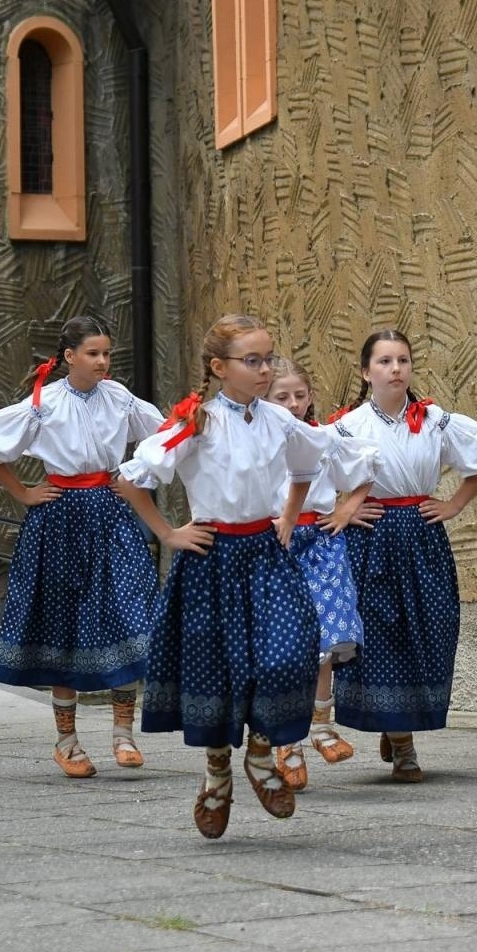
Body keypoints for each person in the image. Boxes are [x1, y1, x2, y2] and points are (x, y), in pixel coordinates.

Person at [117, 314, 349, 839]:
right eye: (253, 361)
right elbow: (131, 480)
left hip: (266, 553)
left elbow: (308, 465)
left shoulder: (278, 419)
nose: (265, 369)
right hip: (212, 557)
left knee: (291, 652)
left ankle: (262, 753)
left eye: (268, 359)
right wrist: (169, 534)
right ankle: (217, 769)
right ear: (220, 367)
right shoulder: (197, 421)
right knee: (220, 671)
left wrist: (288, 517)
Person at [0, 317, 163, 774]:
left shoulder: (120, 397)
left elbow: (162, 439)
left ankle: (122, 733)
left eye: (107, 353)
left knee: (126, 612)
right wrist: (24, 493)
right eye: (93, 354)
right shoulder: (43, 403)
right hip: (60, 520)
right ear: (69, 357)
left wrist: (133, 476)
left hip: (111, 515)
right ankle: (67, 741)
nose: (103, 362)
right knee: (62, 624)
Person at [329, 330, 477, 782]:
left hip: (422, 536)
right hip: (373, 539)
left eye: (403, 360)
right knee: (383, 633)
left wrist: (455, 503)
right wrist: (343, 508)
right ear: (366, 372)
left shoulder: (434, 419)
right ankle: (404, 744)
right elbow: (305, 476)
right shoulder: (347, 427)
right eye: (384, 361)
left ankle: (399, 721)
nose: (396, 369)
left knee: (428, 630)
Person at [264, 357, 377, 791]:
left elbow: (367, 463)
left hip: (323, 543)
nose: (293, 404)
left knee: (329, 638)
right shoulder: (260, 442)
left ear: (311, 397)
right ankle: (287, 742)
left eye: (299, 395)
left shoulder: (324, 437)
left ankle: (322, 727)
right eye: (282, 396)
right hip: (279, 544)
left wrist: (347, 507)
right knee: (289, 644)